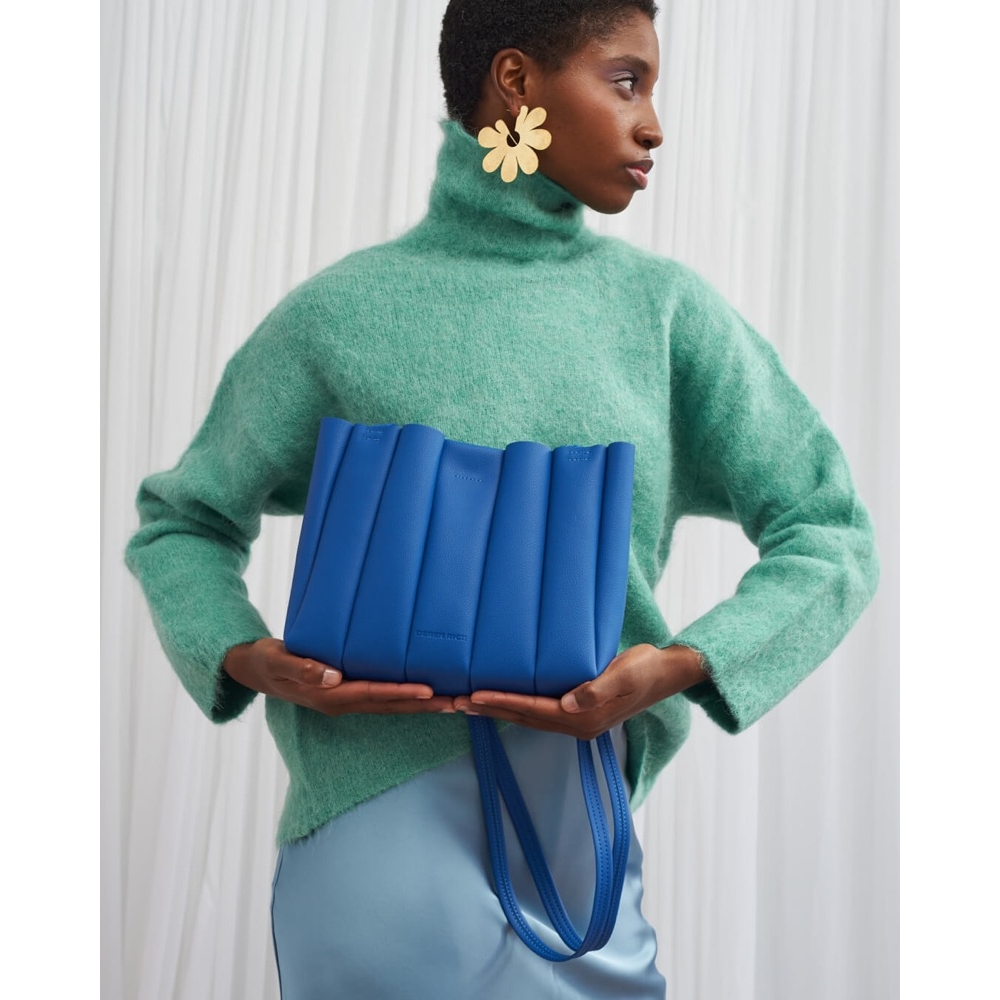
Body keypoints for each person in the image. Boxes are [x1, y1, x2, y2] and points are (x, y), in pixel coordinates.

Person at [125, 1, 879, 996]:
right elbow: (183, 521)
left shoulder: (663, 315)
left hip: (576, 830)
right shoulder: (340, 315)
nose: (653, 125)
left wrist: (680, 666)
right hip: (370, 826)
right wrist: (241, 651)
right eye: (625, 81)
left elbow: (831, 531)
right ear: (517, 82)